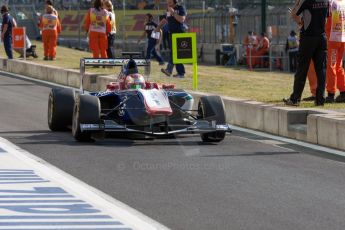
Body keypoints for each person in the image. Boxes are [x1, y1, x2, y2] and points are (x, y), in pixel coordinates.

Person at [283, 0, 329, 106]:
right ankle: (320, 99)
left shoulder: (307, 1)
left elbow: (294, 14)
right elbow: (326, 19)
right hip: (322, 37)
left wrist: (300, 21)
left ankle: (295, 99)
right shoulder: (326, 1)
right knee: (321, 70)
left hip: (308, 37)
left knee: (302, 69)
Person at [159, 0, 187, 78]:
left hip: (179, 33)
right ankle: (180, 73)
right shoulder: (168, 10)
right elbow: (167, 20)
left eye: (170, 2)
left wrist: (173, 12)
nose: (168, 3)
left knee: (175, 53)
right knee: (175, 53)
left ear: (175, 2)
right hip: (171, 34)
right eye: (167, 2)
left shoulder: (180, 8)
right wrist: (159, 27)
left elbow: (182, 19)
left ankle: (169, 70)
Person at [324, 0, 345, 103]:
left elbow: (327, 19)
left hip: (333, 38)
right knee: (339, 66)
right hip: (342, 38)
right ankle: (343, 92)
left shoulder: (331, 2)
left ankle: (331, 94)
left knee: (331, 65)